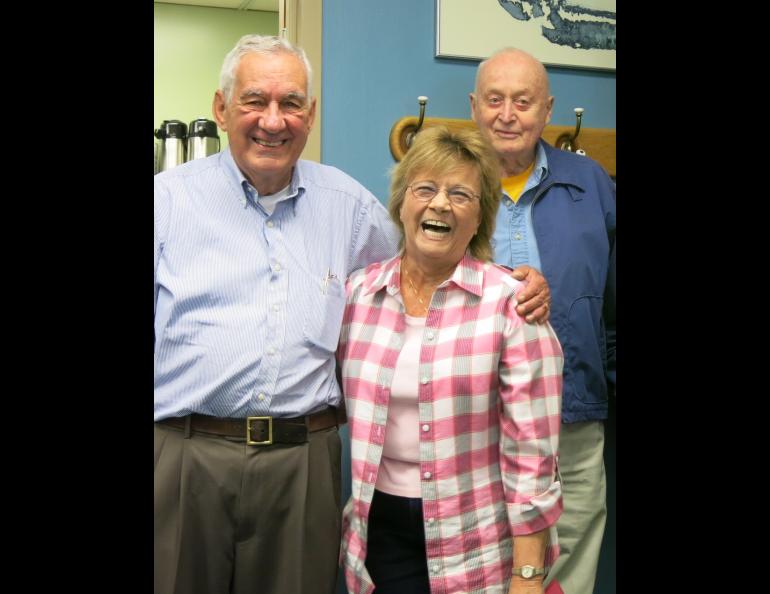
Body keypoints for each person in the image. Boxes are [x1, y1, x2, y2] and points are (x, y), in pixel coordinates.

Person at [154, 35, 550, 594]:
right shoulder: (165, 203)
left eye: (291, 103)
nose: (273, 120)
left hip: (302, 466)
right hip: (184, 456)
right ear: (221, 109)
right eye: (254, 101)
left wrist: (515, 280)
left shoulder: (349, 206)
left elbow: (429, 254)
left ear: (310, 115)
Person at [338, 126, 565, 594]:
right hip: (378, 536)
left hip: (477, 544)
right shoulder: (358, 296)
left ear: (480, 216)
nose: (440, 204)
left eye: (460, 194)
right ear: (402, 203)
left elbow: (533, 459)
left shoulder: (512, 305)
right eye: (425, 189)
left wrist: (527, 577)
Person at [470, 47, 616, 594]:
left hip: (573, 422)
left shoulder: (593, 183)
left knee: (571, 562)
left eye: (523, 101)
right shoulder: (447, 186)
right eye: (495, 99)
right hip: (473, 423)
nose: (508, 114)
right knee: (483, 562)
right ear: (474, 107)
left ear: (547, 110)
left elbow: (613, 305)